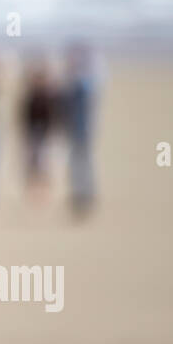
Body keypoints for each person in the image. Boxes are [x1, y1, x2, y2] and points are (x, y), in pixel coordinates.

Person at [63, 42, 102, 218]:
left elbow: (91, 89)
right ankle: (78, 195)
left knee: (85, 163)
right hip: (72, 131)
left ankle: (86, 194)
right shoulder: (71, 84)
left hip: (84, 131)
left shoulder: (86, 82)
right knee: (74, 164)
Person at [19, 55, 61, 200]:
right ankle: (33, 191)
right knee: (32, 164)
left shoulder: (50, 95)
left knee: (45, 164)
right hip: (33, 133)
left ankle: (44, 192)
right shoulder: (30, 95)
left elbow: (56, 115)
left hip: (46, 133)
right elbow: (23, 116)